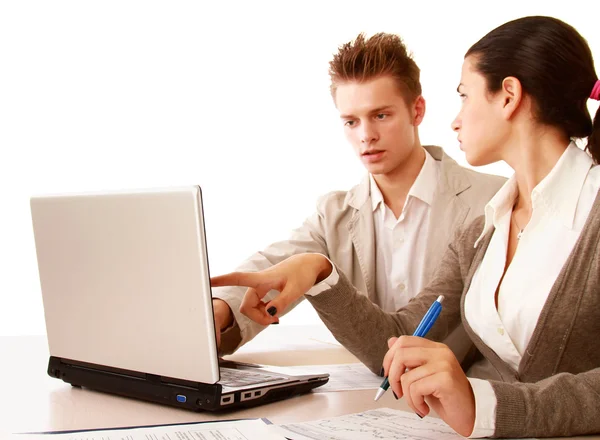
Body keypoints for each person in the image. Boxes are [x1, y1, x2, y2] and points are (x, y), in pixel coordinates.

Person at [211, 15, 600, 438]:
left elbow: (514, 393)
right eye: (351, 121)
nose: (455, 121)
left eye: (465, 96)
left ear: (508, 96)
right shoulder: (486, 229)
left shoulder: (541, 209)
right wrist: (319, 274)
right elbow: (402, 335)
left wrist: (485, 404)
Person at [212, 33, 506, 359]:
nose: (366, 136)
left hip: (467, 394)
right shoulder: (334, 213)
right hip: (369, 397)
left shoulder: (492, 198)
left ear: (417, 110)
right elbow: (273, 265)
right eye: (351, 121)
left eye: (381, 115)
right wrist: (218, 310)